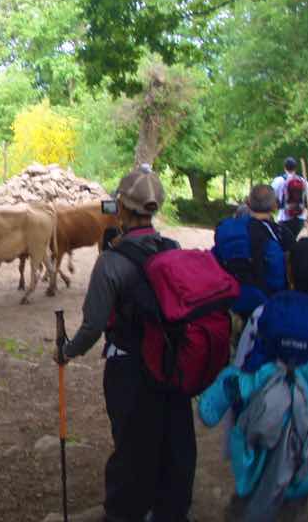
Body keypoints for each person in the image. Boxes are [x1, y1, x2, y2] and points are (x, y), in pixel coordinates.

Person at [54, 164, 195, 522]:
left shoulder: (111, 263)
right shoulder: (173, 248)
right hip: (172, 362)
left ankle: (125, 513)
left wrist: (66, 351)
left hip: (129, 369)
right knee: (173, 441)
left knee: (132, 447)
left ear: (121, 207)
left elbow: (93, 326)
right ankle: (169, 511)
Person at [200, 237, 308, 522]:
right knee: (295, 499)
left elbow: (242, 369)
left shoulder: (263, 314)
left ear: (289, 273)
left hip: (262, 423)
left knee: (251, 494)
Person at [214, 184, 295, 327]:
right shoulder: (281, 234)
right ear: (275, 206)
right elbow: (291, 271)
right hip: (269, 304)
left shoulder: (227, 228)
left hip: (230, 302)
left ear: (247, 203)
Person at [271, 157, 308, 238]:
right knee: (293, 240)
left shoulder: (279, 180)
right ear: (295, 168)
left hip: (284, 218)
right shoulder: (303, 180)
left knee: (285, 244)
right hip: (300, 218)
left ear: (284, 167)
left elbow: (270, 196)